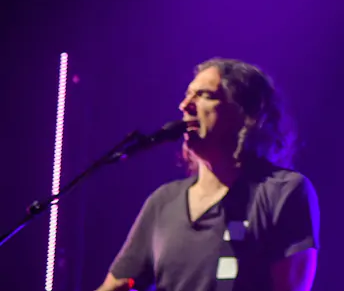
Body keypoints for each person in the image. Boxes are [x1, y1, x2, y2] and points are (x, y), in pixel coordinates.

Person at [96, 58, 320, 290]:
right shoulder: (163, 201)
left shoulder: (283, 191)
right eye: (188, 94)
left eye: (205, 95)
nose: (185, 105)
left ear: (247, 115)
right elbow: (116, 286)